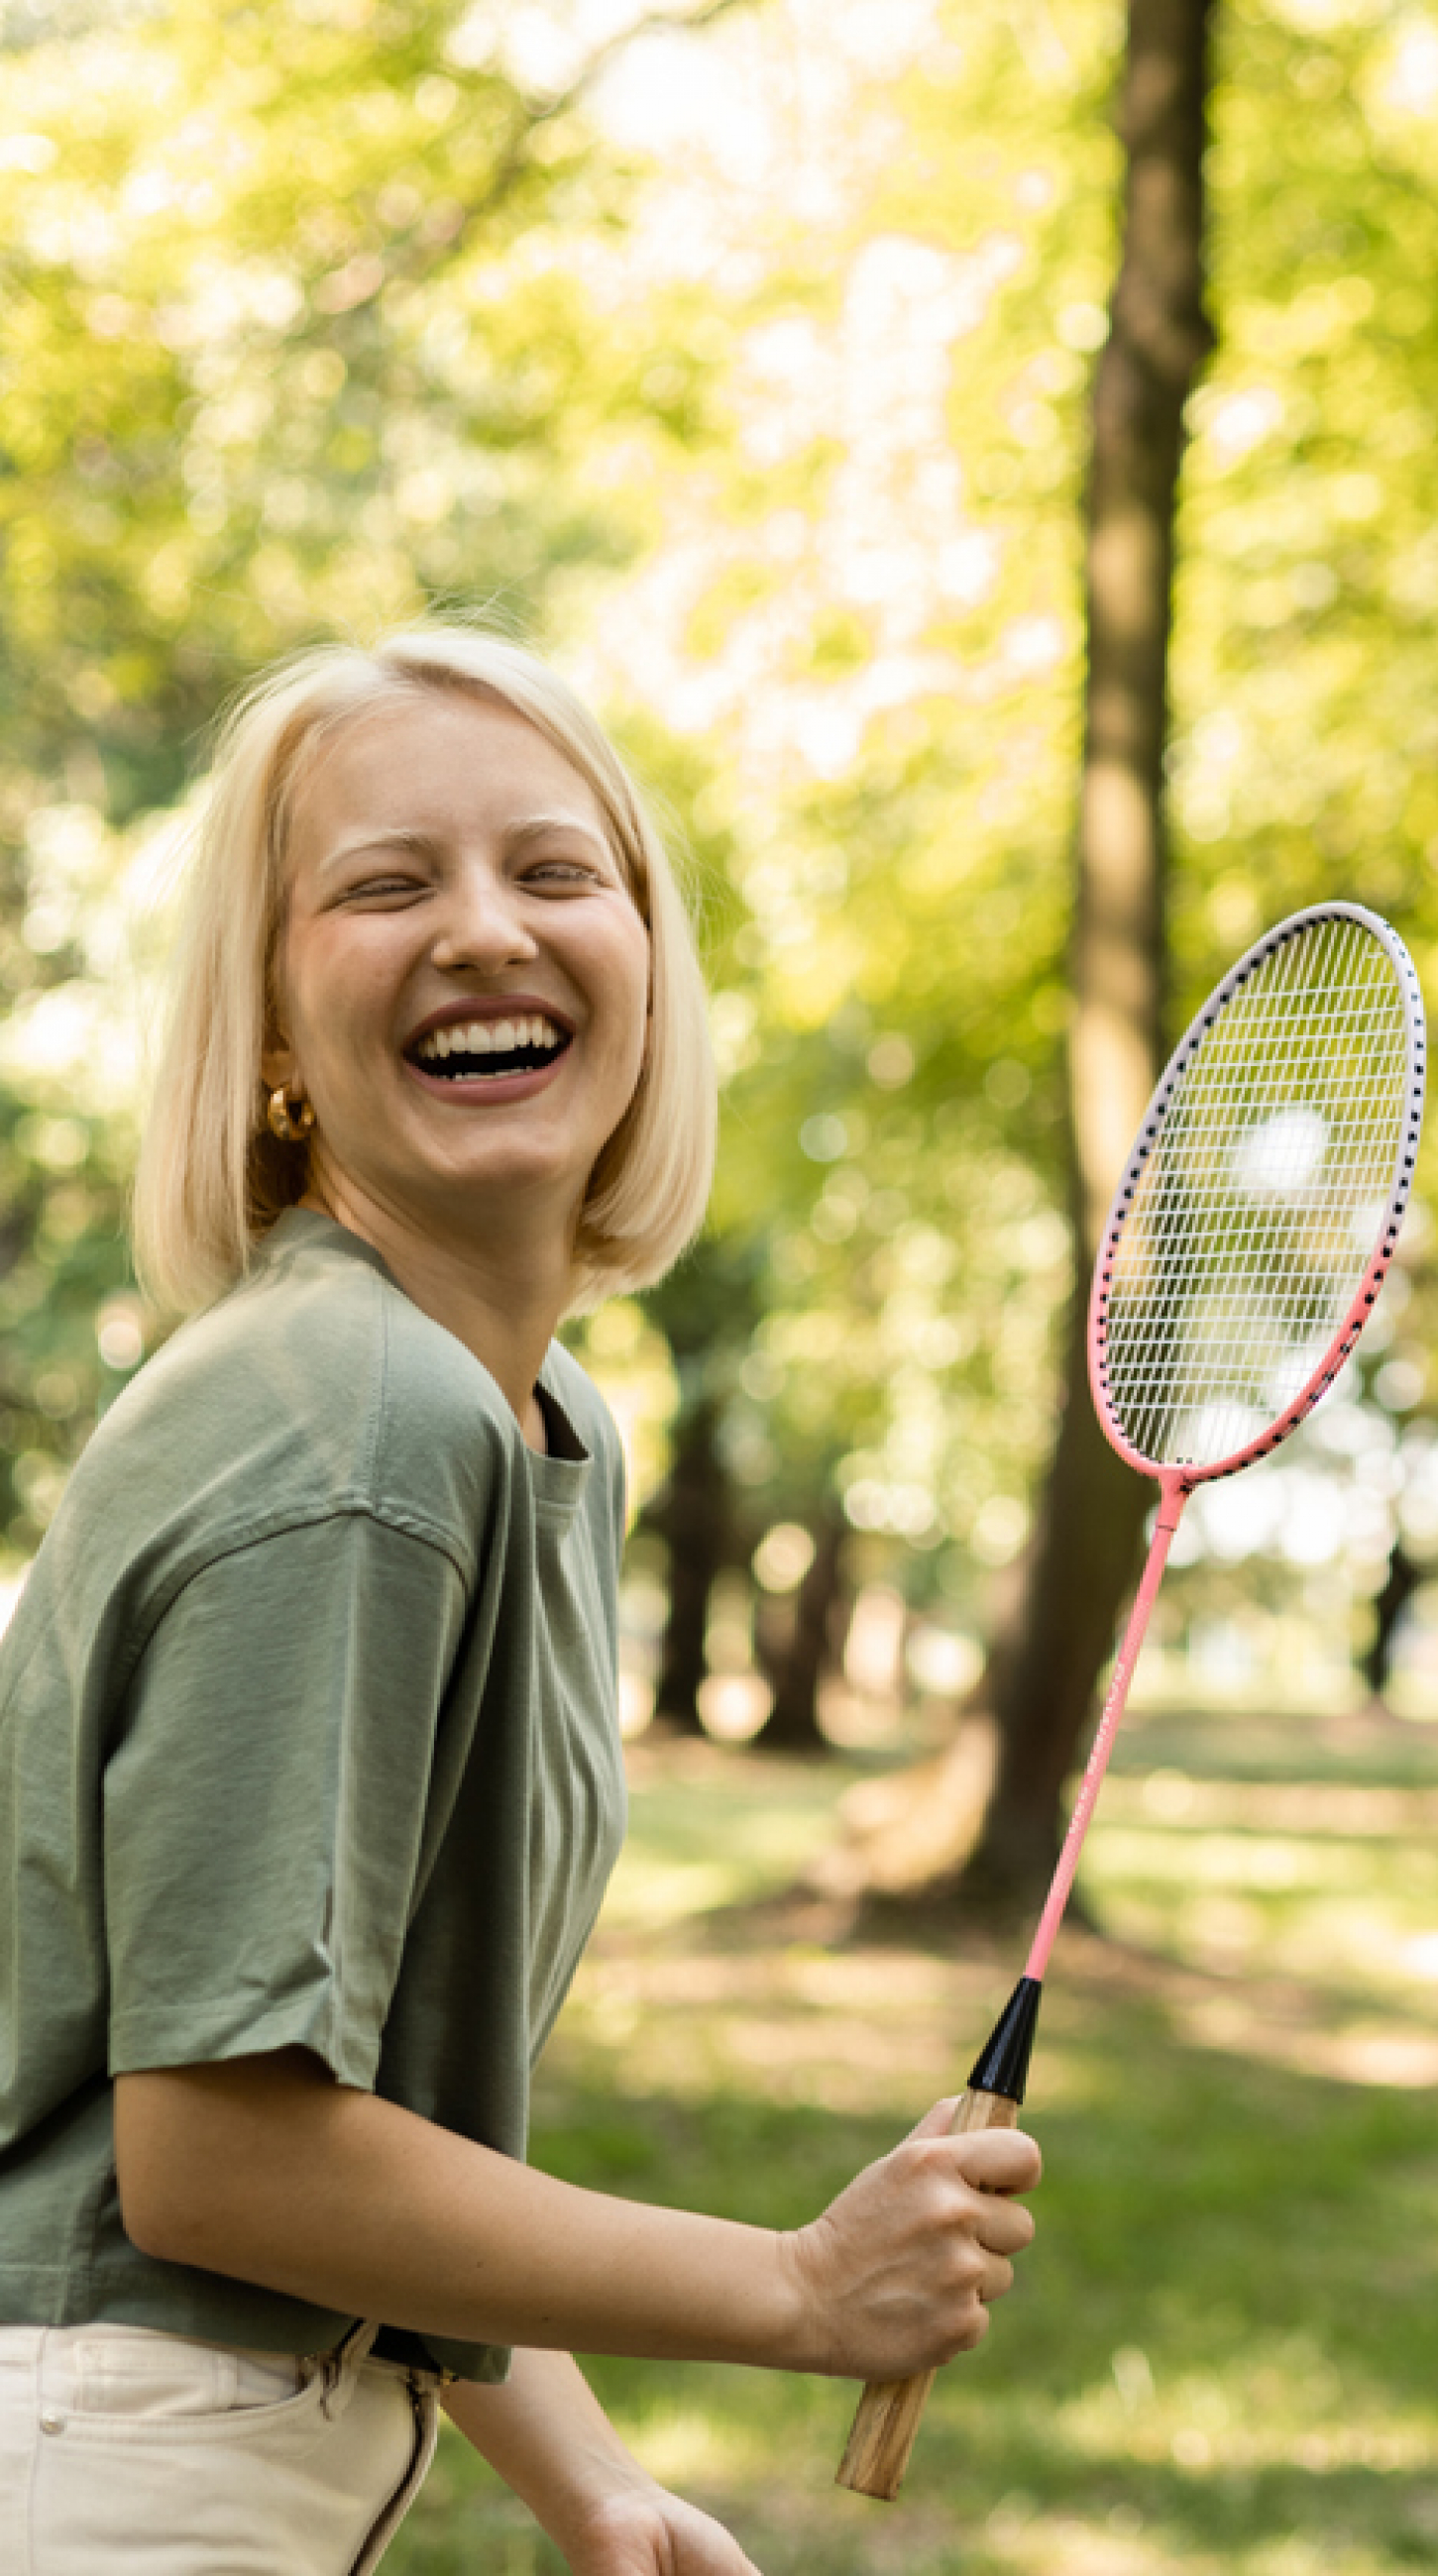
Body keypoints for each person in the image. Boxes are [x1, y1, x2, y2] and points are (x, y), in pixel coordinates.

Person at [0, 629, 1042, 2574]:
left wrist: (586, 2473)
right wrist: (800, 2288)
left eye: (556, 872)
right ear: (275, 1030)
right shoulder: (355, 1428)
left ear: (649, 965)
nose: (484, 929)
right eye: (387, 884)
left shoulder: (524, 1417)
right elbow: (221, 2157)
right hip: (97, 2454)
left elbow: (374, 2110)